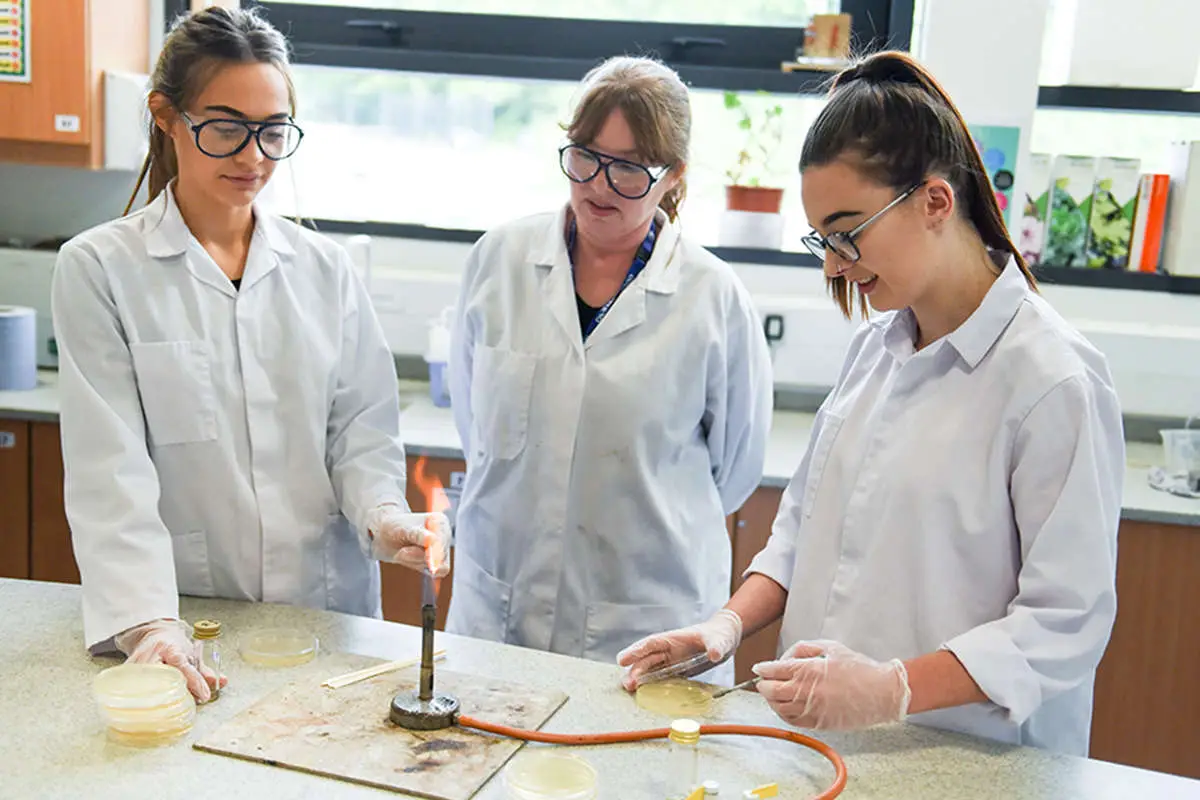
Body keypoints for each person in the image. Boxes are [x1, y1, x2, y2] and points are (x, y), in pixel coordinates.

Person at [619, 50, 1124, 756]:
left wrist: (894, 688)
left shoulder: (1052, 382)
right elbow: (804, 531)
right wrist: (726, 626)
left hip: (967, 760)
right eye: (822, 239)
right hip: (828, 749)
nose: (832, 264)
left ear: (936, 202)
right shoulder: (878, 348)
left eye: (847, 232)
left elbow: (1064, 622)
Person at [50, 7, 446, 703]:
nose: (254, 155)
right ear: (166, 117)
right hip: (192, 627)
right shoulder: (100, 270)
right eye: (227, 127)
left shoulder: (327, 270)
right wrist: (148, 626)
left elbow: (360, 434)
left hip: (327, 621)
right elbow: (110, 475)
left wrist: (384, 514)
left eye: (272, 131)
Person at [446, 56, 773, 682]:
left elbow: (735, 471)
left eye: (627, 168)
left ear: (673, 176)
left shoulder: (712, 298)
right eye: (585, 157)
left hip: (645, 623)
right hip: (500, 615)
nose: (598, 185)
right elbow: (475, 424)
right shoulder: (500, 262)